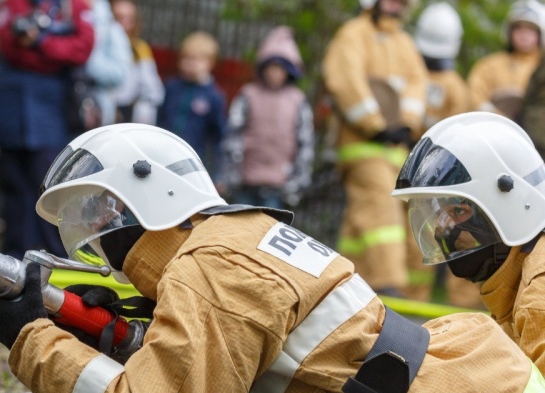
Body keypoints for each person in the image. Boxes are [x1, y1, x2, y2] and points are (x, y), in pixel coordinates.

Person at [0, 123, 545, 393]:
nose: (96, 241)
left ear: (145, 200)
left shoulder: (214, 263)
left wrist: (31, 339)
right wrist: (127, 338)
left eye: (97, 216)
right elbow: (230, 363)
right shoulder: (229, 245)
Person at [393, 111, 545, 372]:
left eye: (457, 211)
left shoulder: (537, 301)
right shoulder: (516, 286)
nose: (443, 232)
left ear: (509, 205)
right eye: (438, 215)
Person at [321, 0, 427, 297]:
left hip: (395, 151)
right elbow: (347, 81)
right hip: (361, 148)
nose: (396, 5)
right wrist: (375, 125)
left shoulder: (404, 43)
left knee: (362, 222)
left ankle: (349, 283)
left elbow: (417, 84)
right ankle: (388, 286)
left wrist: (406, 123)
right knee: (382, 215)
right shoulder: (353, 34)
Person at [0, 0, 94, 260]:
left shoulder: (76, 6)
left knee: (49, 185)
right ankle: (12, 254)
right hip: (12, 104)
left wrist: (39, 42)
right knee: (13, 183)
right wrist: (51, 53)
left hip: (53, 108)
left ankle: (52, 257)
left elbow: (81, 49)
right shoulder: (13, 4)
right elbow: (8, 45)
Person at [406, 2, 480, 308]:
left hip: (434, 174)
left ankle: (427, 301)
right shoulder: (411, 72)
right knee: (399, 237)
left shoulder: (456, 86)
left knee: (429, 236)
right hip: (405, 163)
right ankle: (401, 297)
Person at [221, 26, 314, 209]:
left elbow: (305, 142)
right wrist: (230, 175)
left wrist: (297, 182)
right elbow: (233, 134)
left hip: (280, 185)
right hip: (246, 181)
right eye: (271, 67)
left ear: (289, 71)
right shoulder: (248, 95)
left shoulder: (297, 100)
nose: (274, 73)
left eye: (280, 68)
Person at [156, 31, 226, 176]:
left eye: (196, 60)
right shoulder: (172, 86)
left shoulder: (213, 95)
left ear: (210, 63)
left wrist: (214, 171)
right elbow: (160, 119)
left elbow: (217, 136)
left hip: (193, 161)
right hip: (163, 154)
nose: (190, 64)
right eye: (186, 59)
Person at [467, 0, 543, 120]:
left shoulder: (541, 69)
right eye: (518, 27)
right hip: (495, 130)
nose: (524, 33)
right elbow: (474, 96)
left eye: (530, 28)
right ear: (509, 31)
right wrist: (493, 115)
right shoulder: (489, 65)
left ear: (540, 34)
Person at [110, 0, 164, 125]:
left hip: (126, 113)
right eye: (119, 17)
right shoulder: (97, 42)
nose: (124, 22)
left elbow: (153, 89)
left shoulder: (139, 48)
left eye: (130, 18)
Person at [81, 0, 132, 128]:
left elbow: (120, 73)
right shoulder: (62, 13)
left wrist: (83, 61)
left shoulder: (111, 28)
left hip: (96, 110)